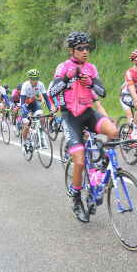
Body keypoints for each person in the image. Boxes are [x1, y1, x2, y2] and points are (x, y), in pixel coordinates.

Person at [51, 31, 118, 223]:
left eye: (87, 48)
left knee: (113, 131)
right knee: (79, 163)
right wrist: (66, 79)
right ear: (72, 50)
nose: (85, 51)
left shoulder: (91, 68)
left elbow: (102, 92)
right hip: (70, 117)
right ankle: (76, 196)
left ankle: (103, 165)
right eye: (81, 48)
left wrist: (90, 83)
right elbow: (52, 91)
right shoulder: (63, 67)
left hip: (88, 114)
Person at [21, 69, 53, 152]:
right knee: (27, 125)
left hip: (33, 103)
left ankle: (41, 135)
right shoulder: (25, 86)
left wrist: (51, 111)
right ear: (29, 79)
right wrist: (27, 113)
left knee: (41, 117)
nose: (36, 81)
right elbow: (22, 103)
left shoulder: (40, 85)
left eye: (37, 78)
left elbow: (46, 99)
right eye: (33, 79)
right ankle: (24, 143)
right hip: (25, 105)